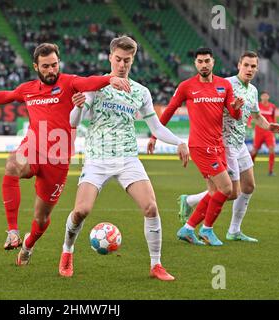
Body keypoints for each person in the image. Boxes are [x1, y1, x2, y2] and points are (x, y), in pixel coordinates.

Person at [0, 43, 130, 265]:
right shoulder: (28, 89)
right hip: (33, 148)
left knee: (42, 218)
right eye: (46, 66)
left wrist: (109, 79)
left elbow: (88, 82)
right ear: (36, 67)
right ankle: (12, 231)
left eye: (54, 65)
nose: (51, 70)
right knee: (11, 165)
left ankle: (28, 246)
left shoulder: (69, 82)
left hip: (57, 160)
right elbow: (5, 96)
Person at [58, 36, 189, 281]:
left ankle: (156, 264)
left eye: (127, 60)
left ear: (132, 60)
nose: (122, 65)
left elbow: (157, 128)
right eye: (118, 59)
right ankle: (67, 251)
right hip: (97, 158)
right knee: (81, 211)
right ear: (110, 57)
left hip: (128, 158)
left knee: (150, 207)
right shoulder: (95, 86)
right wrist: (76, 106)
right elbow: (72, 122)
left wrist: (180, 142)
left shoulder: (141, 92)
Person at [167, 52, 279, 242]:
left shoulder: (253, 90)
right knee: (229, 191)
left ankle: (234, 230)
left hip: (240, 144)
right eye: (246, 65)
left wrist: (268, 126)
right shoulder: (225, 84)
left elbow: (255, 116)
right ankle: (191, 204)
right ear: (239, 65)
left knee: (249, 186)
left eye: (253, 66)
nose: (249, 69)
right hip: (224, 144)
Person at [147, 47, 244, 246]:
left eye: (207, 61)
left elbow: (234, 115)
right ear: (195, 64)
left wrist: (235, 108)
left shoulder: (224, 85)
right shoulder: (186, 86)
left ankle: (188, 229)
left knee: (214, 192)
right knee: (226, 188)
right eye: (200, 61)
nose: (204, 64)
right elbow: (170, 110)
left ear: (213, 62)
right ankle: (207, 230)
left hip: (218, 146)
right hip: (200, 146)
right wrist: (154, 136)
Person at [250, 92, 279, 176]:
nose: (265, 97)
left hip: (269, 132)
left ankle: (270, 171)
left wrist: (275, 127)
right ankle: (249, 169)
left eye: (266, 96)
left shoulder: (272, 107)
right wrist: (249, 123)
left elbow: (273, 118)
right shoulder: (257, 105)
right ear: (261, 97)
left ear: (268, 97)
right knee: (254, 151)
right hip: (259, 131)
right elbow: (252, 116)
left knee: (272, 149)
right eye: (263, 96)